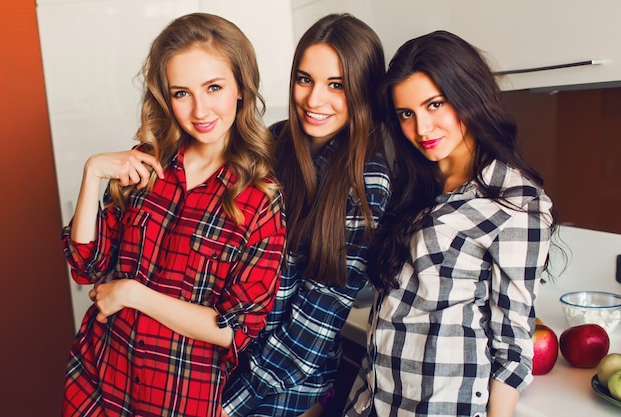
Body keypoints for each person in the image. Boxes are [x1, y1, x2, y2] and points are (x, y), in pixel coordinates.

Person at [61, 13, 286, 417]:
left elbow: (235, 329)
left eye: (213, 87)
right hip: (96, 384)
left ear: (241, 87)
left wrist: (134, 294)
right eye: (181, 93)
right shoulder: (146, 164)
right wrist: (92, 174)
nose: (200, 110)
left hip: (176, 401)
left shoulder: (260, 199)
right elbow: (85, 266)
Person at [345, 30, 556, 417]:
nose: (422, 129)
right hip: (372, 399)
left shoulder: (514, 201)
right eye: (407, 114)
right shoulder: (415, 183)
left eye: (435, 104)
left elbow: (513, 344)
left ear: (468, 96)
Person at [222, 13, 392, 417]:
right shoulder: (271, 142)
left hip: (286, 388)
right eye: (305, 79)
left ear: (365, 92)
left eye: (337, 85)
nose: (314, 100)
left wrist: (225, 407)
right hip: (221, 365)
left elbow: (312, 329)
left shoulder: (367, 181)